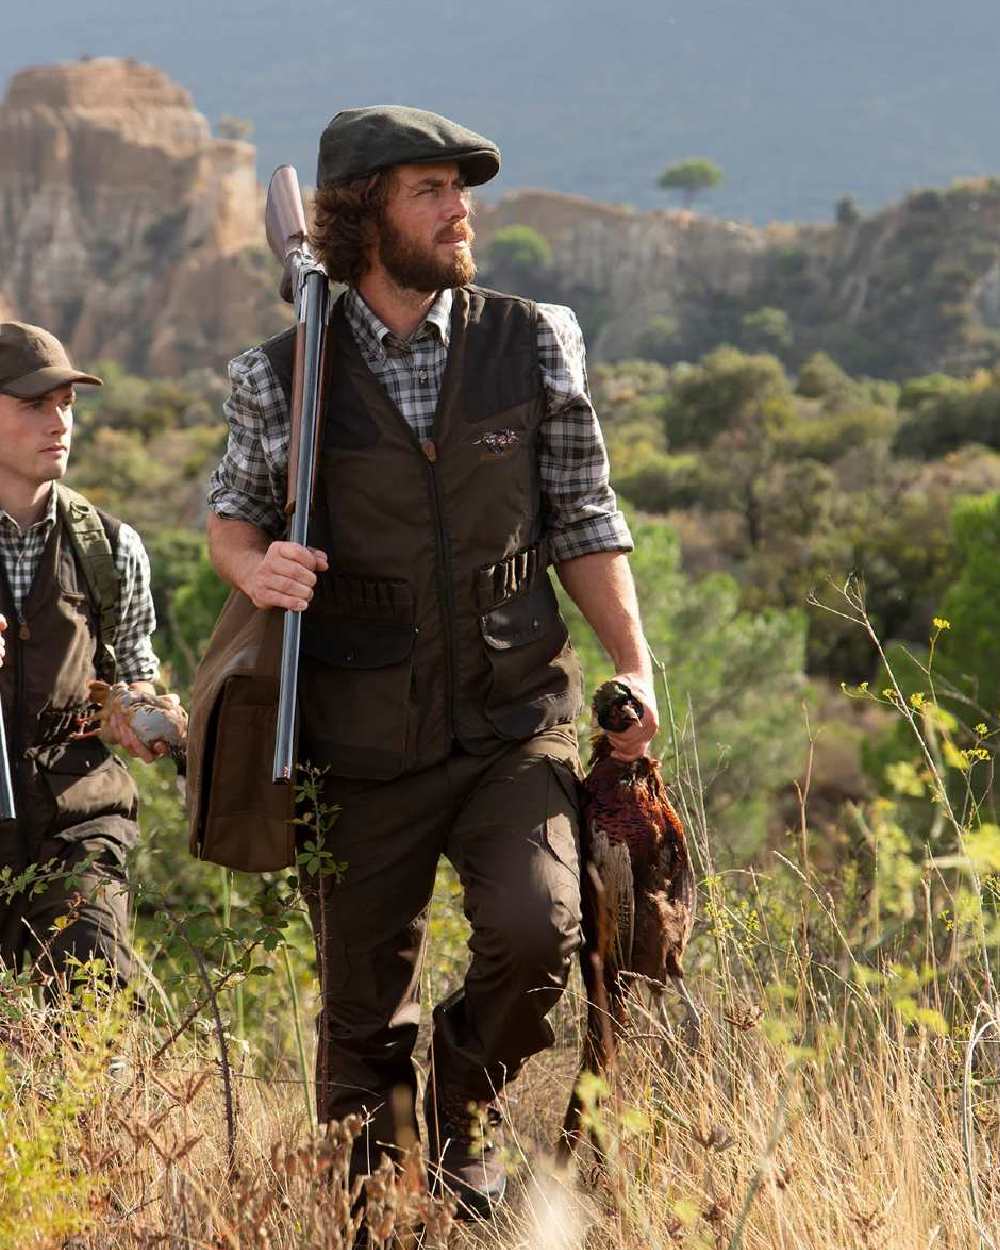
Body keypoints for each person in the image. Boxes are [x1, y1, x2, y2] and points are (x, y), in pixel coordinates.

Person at [206, 106, 657, 1215]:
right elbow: (231, 517)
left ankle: (467, 1102)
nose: (461, 212)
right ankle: (385, 1210)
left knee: (538, 928)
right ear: (364, 216)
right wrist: (254, 568)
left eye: (462, 190)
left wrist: (636, 666)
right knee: (361, 1016)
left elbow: (584, 514)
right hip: (355, 736)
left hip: (513, 711)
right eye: (430, 190)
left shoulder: (532, 338)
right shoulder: (278, 374)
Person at [0, 321, 163, 997]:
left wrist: (149, 715)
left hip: (80, 822)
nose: (58, 421)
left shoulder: (110, 547)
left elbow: (136, 673)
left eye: (66, 404)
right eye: (35, 404)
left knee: (91, 1001)